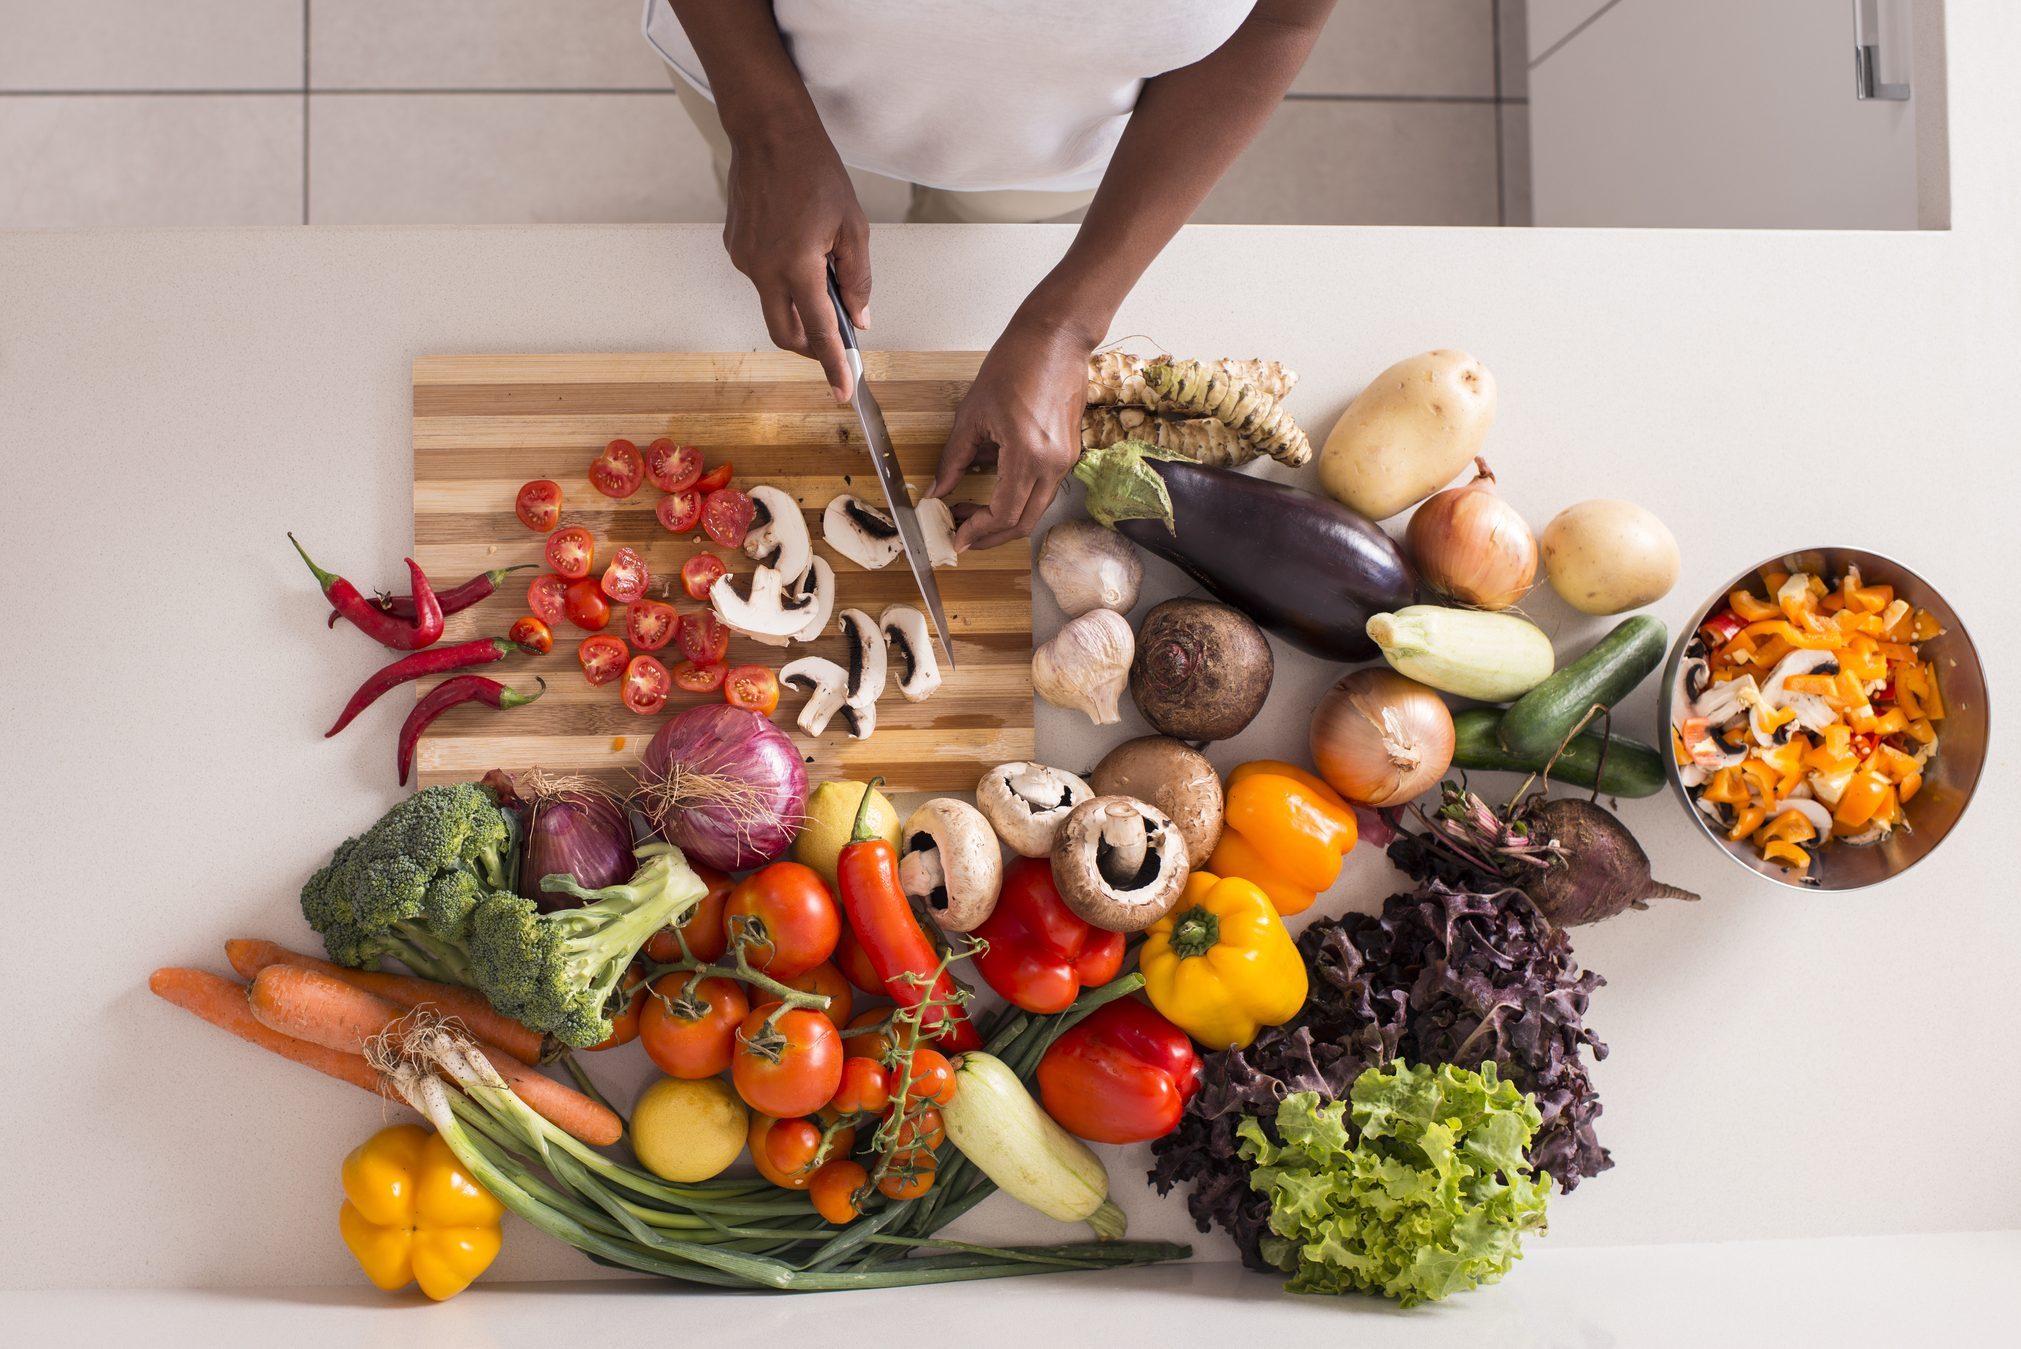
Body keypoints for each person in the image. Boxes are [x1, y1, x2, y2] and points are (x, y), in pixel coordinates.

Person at [644, 0, 1334, 549]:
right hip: (756, 66)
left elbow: (1282, 14)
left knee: (962, 230)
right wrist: (766, 128)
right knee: (769, 227)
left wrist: (1066, 323)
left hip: (1040, 152)